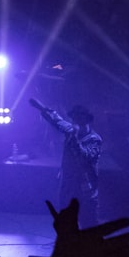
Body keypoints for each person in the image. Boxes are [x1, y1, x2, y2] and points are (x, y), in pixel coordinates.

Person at [29, 98, 102, 230]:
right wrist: (41, 108)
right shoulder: (70, 130)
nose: (75, 121)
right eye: (74, 118)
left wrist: (74, 139)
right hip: (67, 184)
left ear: (86, 120)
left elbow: (86, 157)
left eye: (79, 118)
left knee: (89, 223)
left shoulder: (94, 139)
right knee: (66, 220)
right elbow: (57, 120)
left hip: (86, 187)